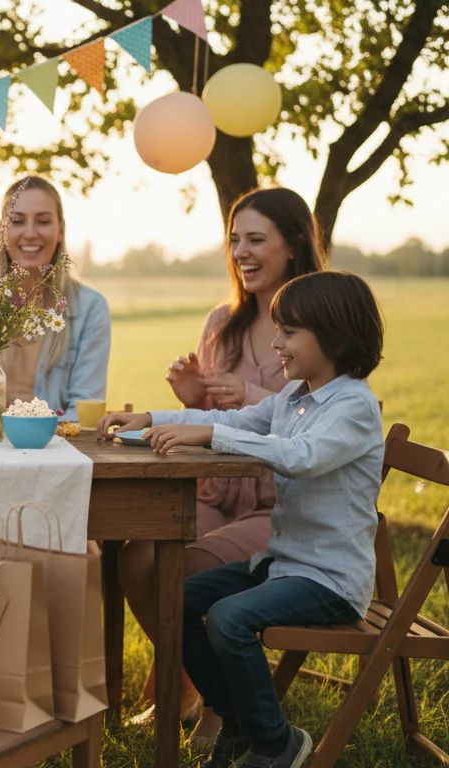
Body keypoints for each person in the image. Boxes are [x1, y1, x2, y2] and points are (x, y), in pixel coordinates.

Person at [97, 271, 385, 768]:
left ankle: (275, 742)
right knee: (176, 599)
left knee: (231, 618)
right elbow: (232, 421)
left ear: (334, 336)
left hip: (330, 580)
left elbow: (301, 456)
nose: (277, 344)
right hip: (282, 563)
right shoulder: (295, 398)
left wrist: (207, 435)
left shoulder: (354, 406)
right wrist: (151, 419)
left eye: (289, 332)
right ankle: (233, 717)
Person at [117, 187, 328, 738]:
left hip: (279, 506)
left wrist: (251, 393)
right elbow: (215, 424)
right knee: (136, 560)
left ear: (295, 245)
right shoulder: (221, 321)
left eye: (256, 239)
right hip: (213, 492)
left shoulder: (323, 322)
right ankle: (194, 680)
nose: (241, 252)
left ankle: (216, 705)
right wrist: (192, 397)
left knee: (180, 569)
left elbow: (324, 424)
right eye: (235, 240)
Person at [0, 175, 110, 417]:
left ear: (60, 231)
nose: (30, 233)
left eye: (43, 221)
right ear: (1, 231)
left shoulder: (90, 308)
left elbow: (84, 409)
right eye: (17, 221)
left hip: (55, 448)